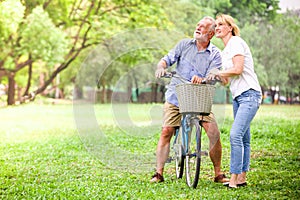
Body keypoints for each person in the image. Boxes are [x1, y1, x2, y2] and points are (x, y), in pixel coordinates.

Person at [150, 16, 229, 183]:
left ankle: (218, 173)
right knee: (166, 131)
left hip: (199, 99)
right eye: (197, 25)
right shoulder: (184, 45)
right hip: (176, 95)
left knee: (213, 132)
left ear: (211, 34)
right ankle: (158, 173)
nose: (198, 28)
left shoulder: (215, 54)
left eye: (203, 27)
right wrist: (161, 66)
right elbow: (167, 58)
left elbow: (215, 73)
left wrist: (205, 78)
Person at [213, 14, 262, 188]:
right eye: (215, 25)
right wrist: (214, 75)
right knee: (244, 138)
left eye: (220, 24)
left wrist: (218, 73)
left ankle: (233, 180)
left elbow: (239, 69)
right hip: (238, 97)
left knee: (235, 135)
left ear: (230, 27)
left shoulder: (236, 42)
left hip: (249, 93)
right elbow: (228, 79)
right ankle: (242, 177)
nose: (216, 27)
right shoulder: (225, 51)